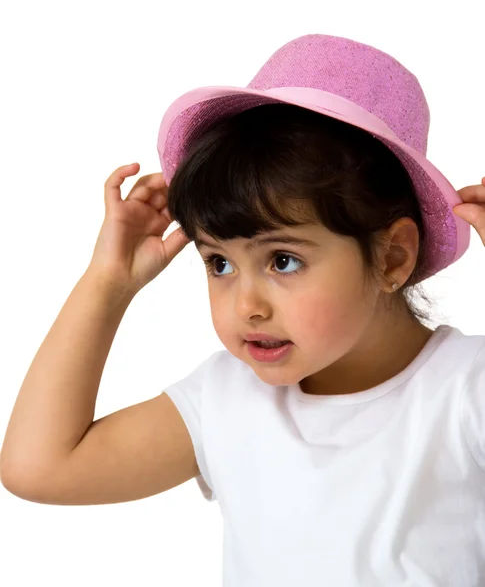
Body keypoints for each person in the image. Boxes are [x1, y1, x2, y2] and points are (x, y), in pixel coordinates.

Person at [1, 33, 485, 586]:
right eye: (219, 265)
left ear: (393, 257)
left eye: (283, 260)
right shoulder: (227, 398)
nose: (247, 307)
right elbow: (38, 468)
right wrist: (106, 284)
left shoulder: (465, 388)